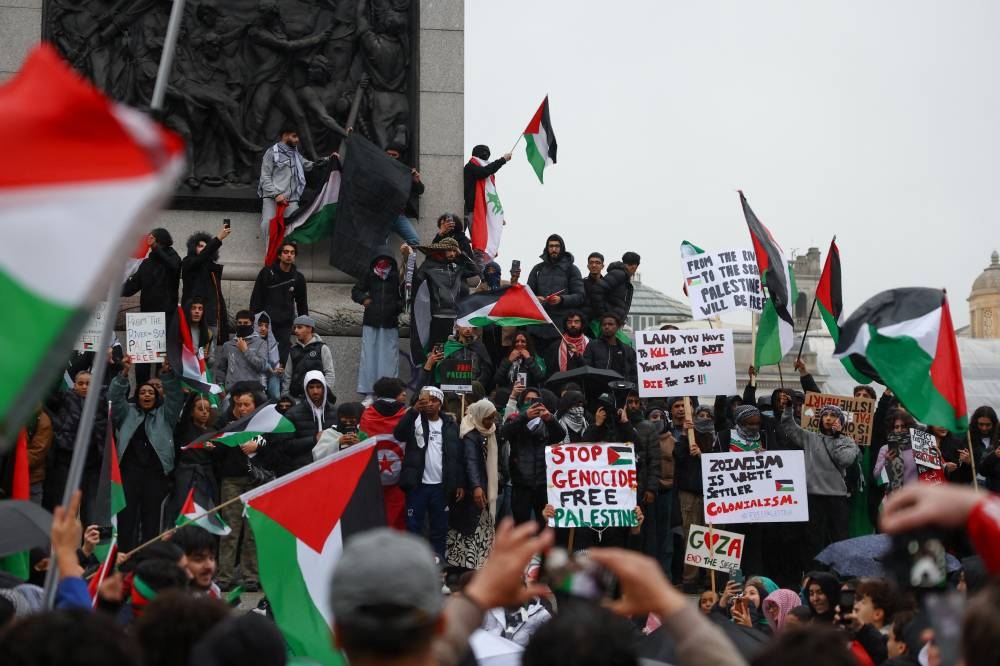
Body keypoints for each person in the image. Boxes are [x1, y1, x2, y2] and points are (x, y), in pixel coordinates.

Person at [329, 519, 553, 666]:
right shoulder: (451, 651)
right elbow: (452, 634)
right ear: (438, 626)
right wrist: (480, 594)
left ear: (337, 635)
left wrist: (478, 597)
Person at [108, 356, 185, 552]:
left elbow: (176, 397)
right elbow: (115, 398)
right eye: (142, 392)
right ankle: (124, 558)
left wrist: (166, 375)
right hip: (129, 474)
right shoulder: (127, 413)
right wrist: (124, 374)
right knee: (127, 520)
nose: (147, 395)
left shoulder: (165, 415)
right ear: (137, 395)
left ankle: (149, 559)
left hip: (155, 474)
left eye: (151, 392)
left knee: (151, 520)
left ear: (157, 396)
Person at [779, 402, 859, 558]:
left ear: (840, 420)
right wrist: (788, 408)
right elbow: (789, 427)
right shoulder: (810, 438)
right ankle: (815, 575)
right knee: (814, 541)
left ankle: (839, 575)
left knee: (839, 539)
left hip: (837, 498)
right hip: (814, 498)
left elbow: (845, 460)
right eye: (825, 415)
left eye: (833, 416)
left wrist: (837, 437)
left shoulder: (848, 441)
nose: (828, 419)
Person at [391, 386, 461, 561]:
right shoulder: (414, 419)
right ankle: (413, 568)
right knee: (413, 529)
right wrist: (414, 410)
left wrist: (459, 483)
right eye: (425, 400)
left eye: (433, 400)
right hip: (417, 485)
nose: (429, 404)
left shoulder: (450, 424)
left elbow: (456, 457)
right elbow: (398, 434)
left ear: (440, 403)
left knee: (439, 529)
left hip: (441, 488)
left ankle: (438, 573)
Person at [216, 386, 272, 592]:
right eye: (238, 404)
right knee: (230, 529)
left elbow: (277, 443)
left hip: (258, 481)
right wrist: (229, 438)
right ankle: (224, 577)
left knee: (252, 531)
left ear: (255, 406)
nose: (241, 408)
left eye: (246, 404)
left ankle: (251, 576)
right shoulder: (226, 422)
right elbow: (216, 448)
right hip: (232, 480)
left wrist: (259, 444)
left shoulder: (266, 423)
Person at [43, 371, 107, 524]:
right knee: (61, 506)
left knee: (89, 511)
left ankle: (87, 547)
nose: (85, 387)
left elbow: (118, 398)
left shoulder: (102, 401)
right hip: (66, 460)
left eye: (89, 383)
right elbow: (49, 394)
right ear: (74, 385)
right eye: (80, 383)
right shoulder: (65, 398)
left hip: (91, 463)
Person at [122, 228, 182, 385]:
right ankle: (142, 391)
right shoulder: (147, 264)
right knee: (143, 361)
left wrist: (156, 247)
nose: (150, 243)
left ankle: (162, 393)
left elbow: (174, 267)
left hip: (167, 318)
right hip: (146, 319)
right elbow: (130, 289)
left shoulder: (173, 258)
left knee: (163, 361)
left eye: (154, 240)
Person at [406, 236, 480, 362]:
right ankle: (434, 380)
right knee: (436, 353)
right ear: (442, 251)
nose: (452, 253)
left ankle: (450, 380)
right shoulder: (429, 266)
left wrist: (461, 254)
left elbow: (475, 270)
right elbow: (416, 281)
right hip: (437, 318)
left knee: (453, 353)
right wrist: (409, 258)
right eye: (449, 250)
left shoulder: (457, 268)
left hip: (455, 320)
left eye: (454, 251)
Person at [503, 388, 565, 529]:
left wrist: (550, 419)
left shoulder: (545, 422)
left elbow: (560, 435)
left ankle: (542, 551)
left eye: (535, 400)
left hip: (542, 483)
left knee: (544, 525)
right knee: (522, 526)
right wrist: (524, 416)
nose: (531, 403)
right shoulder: (515, 418)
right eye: (527, 400)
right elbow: (505, 433)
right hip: (521, 483)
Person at [449, 398, 499, 569]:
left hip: (482, 487)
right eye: (488, 418)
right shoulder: (470, 434)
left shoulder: (487, 431)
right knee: (470, 530)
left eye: (493, 418)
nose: (491, 422)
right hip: (473, 491)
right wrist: (477, 487)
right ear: (479, 416)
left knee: (481, 529)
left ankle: (477, 565)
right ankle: (467, 567)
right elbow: (470, 462)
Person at [672, 415, 719, 592]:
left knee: (713, 537)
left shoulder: (717, 441)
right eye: (702, 416)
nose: (706, 418)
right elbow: (678, 456)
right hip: (690, 494)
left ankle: (711, 578)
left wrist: (703, 456)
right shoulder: (687, 440)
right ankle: (690, 580)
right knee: (692, 536)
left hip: (714, 495)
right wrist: (685, 435)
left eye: (709, 415)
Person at [352, 247, 405, 402]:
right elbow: (356, 291)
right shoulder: (370, 275)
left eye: (386, 261)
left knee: (389, 359)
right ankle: (369, 393)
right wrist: (363, 299)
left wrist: (397, 307)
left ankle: (387, 394)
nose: (383, 264)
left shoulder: (396, 277)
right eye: (380, 261)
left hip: (389, 323)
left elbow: (406, 295)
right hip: (371, 322)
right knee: (369, 358)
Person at [360, 377, 410, 530]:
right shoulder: (406, 416)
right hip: (400, 482)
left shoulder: (366, 416)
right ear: (397, 393)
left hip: (372, 481)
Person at [249, 240, 308, 364]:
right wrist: (255, 322)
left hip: (285, 326)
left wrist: (305, 327)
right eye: (286, 252)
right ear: (279, 255)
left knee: (281, 361)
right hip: (265, 324)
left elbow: (302, 304)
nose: (289, 255)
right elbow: (256, 299)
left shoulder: (298, 278)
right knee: (263, 359)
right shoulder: (266, 273)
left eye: (292, 253)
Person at [258, 126, 324, 234]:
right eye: (294, 136)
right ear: (285, 136)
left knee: (293, 229)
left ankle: (287, 251)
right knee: (269, 226)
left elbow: (309, 165)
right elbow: (265, 177)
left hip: (291, 200)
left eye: (297, 137)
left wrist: (330, 159)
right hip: (273, 198)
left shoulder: (295, 154)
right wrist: (276, 195)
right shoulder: (271, 152)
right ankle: (270, 251)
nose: (297, 140)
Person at [526, 234, 585, 350]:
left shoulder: (572, 269)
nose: (554, 249)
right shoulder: (537, 269)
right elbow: (527, 294)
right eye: (551, 246)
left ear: (562, 248)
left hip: (560, 328)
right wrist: (536, 298)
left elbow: (580, 296)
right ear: (547, 248)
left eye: (557, 246)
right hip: (537, 326)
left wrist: (562, 299)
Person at [272, 371, 336, 476]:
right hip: (304, 470)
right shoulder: (292, 414)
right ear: (306, 389)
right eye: (311, 387)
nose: (315, 391)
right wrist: (314, 439)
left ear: (324, 388)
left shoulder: (335, 412)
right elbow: (285, 445)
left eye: (318, 387)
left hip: (331, 468)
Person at [181, 224, 231, 341]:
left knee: (211, 352)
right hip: (194, 312)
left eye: (205, 246)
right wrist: (218, 238)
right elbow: (199, 259)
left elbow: (217, 294)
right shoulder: (188, 262)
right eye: (200, 246)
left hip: (210, 313)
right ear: (193, 247)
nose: (203, 248)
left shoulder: (212, 267)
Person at [281, 315, 336, 399]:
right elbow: (287, 376)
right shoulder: (293, 350)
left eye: (299, 327)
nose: (295, 330)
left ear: (309, 328)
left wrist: (324, 393)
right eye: (295, 327)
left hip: (317, 399)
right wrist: (285, 396)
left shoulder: (322, 348)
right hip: (296, 399)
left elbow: (329, 374)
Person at [213, 310, 268, 391]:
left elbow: (261, 366)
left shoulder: (261, 343)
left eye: (246, 323)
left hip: (252, 391)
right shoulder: (228, 345)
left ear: (252, 324)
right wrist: (220, 386)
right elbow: (221, 369)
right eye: (240, 323)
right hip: (231, 390)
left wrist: (245, 350)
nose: (242, 325)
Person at [582, 314, 638, 384]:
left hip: (622, 390)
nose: (607, 327)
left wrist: (632, 392)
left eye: (610, 324)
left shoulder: (628, 350)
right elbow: (587, 368)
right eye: (604, 325)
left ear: (618, 326)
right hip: (599, 390)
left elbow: (634, 374)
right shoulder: (592, 346)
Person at [386, 144, 423, 246]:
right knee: (381, 245)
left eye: (394, 155)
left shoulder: (405, 172)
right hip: (382, 215)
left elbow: (420, 190)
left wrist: (416, 181)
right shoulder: (379, 169)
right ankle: (384, 262)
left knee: (414, 240)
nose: (391, 157)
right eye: (388, 154)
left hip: (398, 216)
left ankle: (409, 263)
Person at [170, 526, 221, 598]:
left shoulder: (214, 592)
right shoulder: (165, 600)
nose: (209, 566)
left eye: (211, 558)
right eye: (199, 559)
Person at [463, 145, 511, 217]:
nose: (486, 155)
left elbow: (492, 195)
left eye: (488, 153)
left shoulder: (488, 173)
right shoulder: (470, 166)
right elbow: (484, 172)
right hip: (474, 209)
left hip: (486, 209)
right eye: (484, 152)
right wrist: (503, 160)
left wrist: (496, 217)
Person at [594, 251, 640, 325]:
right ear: (634, 267)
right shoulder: (619, 274)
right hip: (608, 321)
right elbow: (597, 290)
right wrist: (603, 315)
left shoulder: (621, 276)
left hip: (612, 321)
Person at [546, 312, 589, 376]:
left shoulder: (590, 344)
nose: (573, 325)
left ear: (582, 324)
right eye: (569, 322)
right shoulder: (555, 346)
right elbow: (551, 371)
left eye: (576, 322)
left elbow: (590, 367)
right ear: (565, 324)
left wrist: (577, 354)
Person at [254, 311, 282, 400]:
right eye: (260, 325)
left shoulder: (271, 342)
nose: (263, 329)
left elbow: (275, 364)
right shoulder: (247, 342)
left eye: (266, 326)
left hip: (268, 379)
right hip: (252, 381)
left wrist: (279, 371)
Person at [582, 252, 605, 328]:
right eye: (591, 263)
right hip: (586, 325)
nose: (594, 265)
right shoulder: (581, 284)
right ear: (588, 266)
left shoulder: (608, 285)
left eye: (597, 263)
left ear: (602, 266)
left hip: (604, 325)